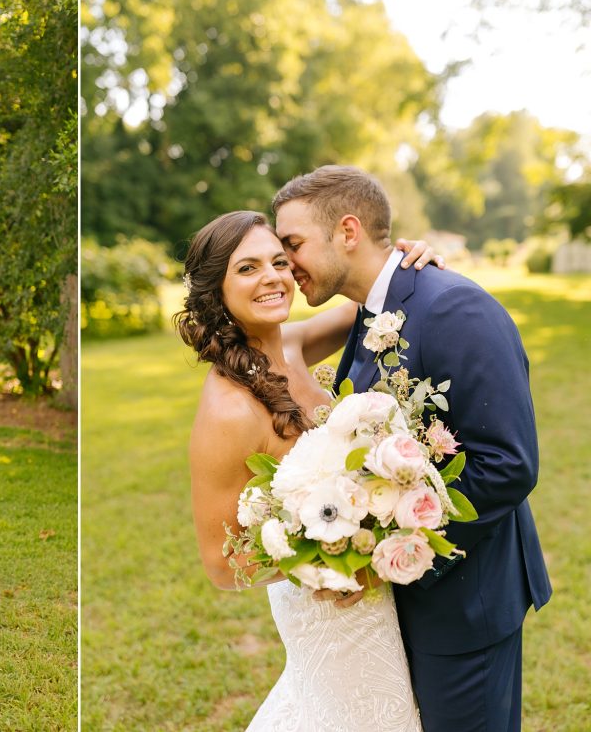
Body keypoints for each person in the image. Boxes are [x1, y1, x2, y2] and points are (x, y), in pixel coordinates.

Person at [272, 165, 552, 732]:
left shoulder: (454, 308)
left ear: (347, 231)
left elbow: (508, 464)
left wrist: (394, 552)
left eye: (292, 245)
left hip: (464, 606)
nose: (286, 265)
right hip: (410, 611)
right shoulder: (373, 309)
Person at [177, 211, 441, 731]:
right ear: (216, 292)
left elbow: (376, 299)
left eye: (279, 261)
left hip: (372, 592)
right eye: (248, 268)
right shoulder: (229, 411)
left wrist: (412, 262)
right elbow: (219, 563)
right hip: (323, 602)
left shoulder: (290, 344)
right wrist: (337, 558)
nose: (273, 277)